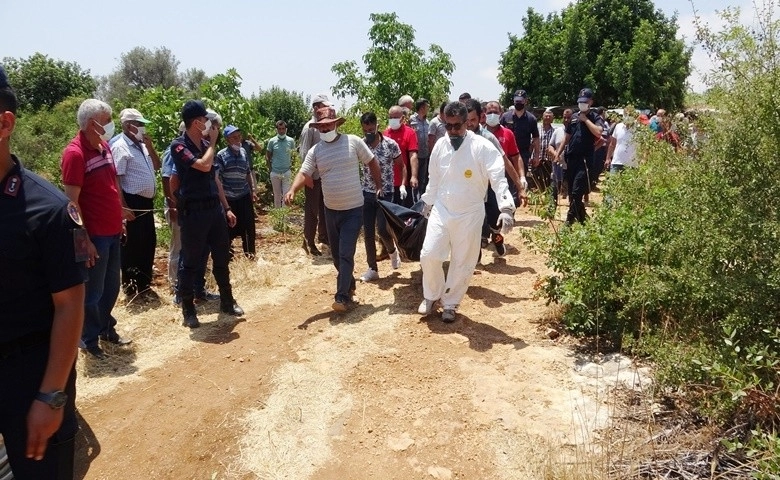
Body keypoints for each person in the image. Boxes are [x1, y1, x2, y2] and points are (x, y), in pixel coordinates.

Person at [0, 64, 86, 480]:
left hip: (28, 375)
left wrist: (50, 397)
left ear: (4, 123)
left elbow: (70, 307)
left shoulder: (48, 210)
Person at [418, 101, 515, 323]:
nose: (452, 131)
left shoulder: (482, 147)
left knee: (462, 261)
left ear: (467, 124)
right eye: (448, 126)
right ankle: (431, 296)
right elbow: (433, 180)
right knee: (429, 254)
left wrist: (506, 208)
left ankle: (450, 303)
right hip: (442, 210)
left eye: (456, 126)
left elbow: (498, 179)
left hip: (470, 213)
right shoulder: (440, 147)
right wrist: (427, 203)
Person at [285, 106, 382, 312]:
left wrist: (379, 185)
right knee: (337, 257)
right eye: (321, 126)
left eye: (328, 124)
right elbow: (304, 172)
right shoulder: (316, 151)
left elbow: (372, 162)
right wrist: (293, 189)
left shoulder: (353, 142)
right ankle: (350, 284)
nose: (325, 128)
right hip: (330, 211)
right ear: (317, 128)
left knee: (346, 253)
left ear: (336, 124)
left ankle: (341, 297)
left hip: (354, 209)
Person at [61, 99, 132, 359]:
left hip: (112, 230)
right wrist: (85, 241)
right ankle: (88, 340)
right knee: (92, 292)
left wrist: (120, 215)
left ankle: (105, 328)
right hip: (94, 237)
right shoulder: (75, 154)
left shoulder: (103, 146)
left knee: (112, 286)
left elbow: (111, 185)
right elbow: (71, 204)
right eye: (108, 119)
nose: (111, 124)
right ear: (93, 124)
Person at [169, 100, 244, 328]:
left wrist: (227, 208)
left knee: (222, 257)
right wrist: (212, 143)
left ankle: (227, 302)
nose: (208, 125)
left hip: (214, 211)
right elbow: (202, 165)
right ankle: (188, 310)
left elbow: (214, 178)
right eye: (205, 120)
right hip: (194, 214)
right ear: (196, 121)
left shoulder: (204, 143)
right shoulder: (179, 146)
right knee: (190, 262)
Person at [464, 99, 526, 257]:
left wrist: (519, 186)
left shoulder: (488, 139)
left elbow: (506, 162)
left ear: (481, 118)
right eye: (466, 120)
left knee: (494, 223)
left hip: (490, 187)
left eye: (473, 120)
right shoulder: (458, 138)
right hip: (470, 189)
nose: (469, 124)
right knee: (473, 223)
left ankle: (497, 239)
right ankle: (475, 252)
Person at [111, 108, 161, 299]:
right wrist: (122, 206)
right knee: (132, 246)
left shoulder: (141, 145)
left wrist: (151, 147)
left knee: (148, 243)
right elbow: (116, 179)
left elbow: (156, 166)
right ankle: (131, 289)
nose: (142, 128)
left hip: (146, 203)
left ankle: (145, 286)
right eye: (139, 124)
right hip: (131, 201)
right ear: (128, 125)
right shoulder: (120, 146)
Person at [358, 112, 402, 282]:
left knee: (383, 229)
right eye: (365, 130)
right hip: (367, 192)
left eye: (371, 129)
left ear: (377, 125)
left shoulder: (390, 145)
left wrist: (403, 183)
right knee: (368, 231)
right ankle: (372, 268)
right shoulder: (361, 145)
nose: (369, 132)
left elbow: (401, 165)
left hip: (386, 193)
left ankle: (392, 250)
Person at [554, 88, 607, 225]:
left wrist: (585, 120)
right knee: (572, 194)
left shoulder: (595, 117)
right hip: (571, 159)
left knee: (578, 192)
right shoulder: (573, 117)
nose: (582, 104)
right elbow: (566, 138)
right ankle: (584, 221)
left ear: (591, 102)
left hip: (584, 160)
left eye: (585, 102)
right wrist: (558, 153)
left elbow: (599, 133)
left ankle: (568, 222)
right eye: (580, 102)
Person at [217, 124, 257, 259]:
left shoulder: (244, 152)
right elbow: (218, 179)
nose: (238, 140)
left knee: (249, 228)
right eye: (234, 138)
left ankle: (250, 256)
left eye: (239, 137)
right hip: (229, 198)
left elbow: (247, 173)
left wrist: (252, 190)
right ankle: (227, 257)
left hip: (244, 195)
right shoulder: (221, 155)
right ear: (227, 140)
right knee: (227, 230)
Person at [298, 94, 331, 256]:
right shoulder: (309, 127)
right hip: (313, 176)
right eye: (323, 106)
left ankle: (324, 238)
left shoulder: (325, 125)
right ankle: (309, 242)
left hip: (325, 176)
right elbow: (304, 154)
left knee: (325, 208)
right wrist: (308, 177)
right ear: (316, 108)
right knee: (312, 211)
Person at [384, 105, 418, 207]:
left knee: (405, 214)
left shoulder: (409, 133)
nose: (392, 120)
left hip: (403, 182)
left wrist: (414, 176)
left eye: (395, 117)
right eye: (390, 117)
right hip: (388, 182)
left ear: (402, 118)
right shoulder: (385, 134)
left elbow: (413, 156)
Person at [509, 89, 541, 189]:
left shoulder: (531, 119)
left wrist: (536, 156)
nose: (518, 103)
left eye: (521, 101)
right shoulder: (505, 117)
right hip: (507, 155)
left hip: (523, 155)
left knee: (520, 183)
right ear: (513, 101)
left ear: (525, 101)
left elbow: (536, 138)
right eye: (516, 101)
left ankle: (518, 202)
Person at [265, 120, 295, 208]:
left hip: (286, 171)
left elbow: (293, 155)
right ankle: (278, 216)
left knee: (286, 195)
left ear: (286, 129)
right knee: (277, 195)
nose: (281, 131)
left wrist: (292, 168)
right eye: (279, 129)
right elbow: (267, 156)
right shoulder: (272, 141)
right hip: (275, 172)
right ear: (276, 130)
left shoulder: (291, 141)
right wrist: (270, 170)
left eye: (283, 129)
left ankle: (284, 217)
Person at [549, 109, 572, 206]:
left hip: (571, 166)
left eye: (568, 118)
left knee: (571, 189)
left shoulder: (576, 131)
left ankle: (572, 213)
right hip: (558, 165)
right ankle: (551, 210)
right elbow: (550, 146)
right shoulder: (557, 131)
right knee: (554, 188)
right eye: (564, 117)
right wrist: (555, 154)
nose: (566, 120)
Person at [409, 98, 430, 199]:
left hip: (424, 155)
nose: (428, 108)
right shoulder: (411, 119)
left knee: (422, 181)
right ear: (422, 107)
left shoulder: (427, 121)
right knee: (414, 181)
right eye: (427, 106)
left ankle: (420, 203)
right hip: (414, 156)